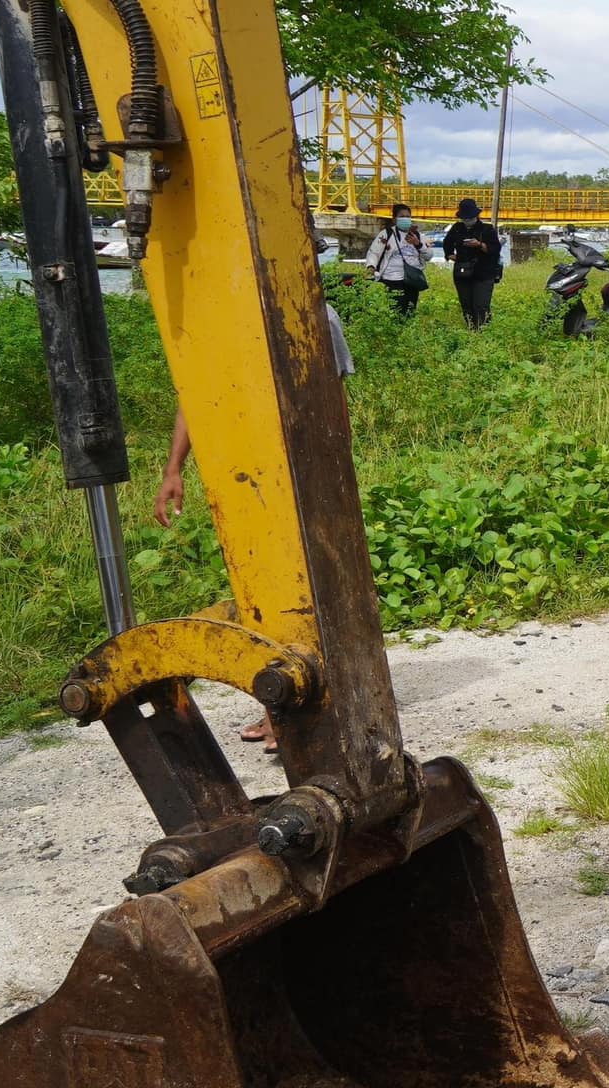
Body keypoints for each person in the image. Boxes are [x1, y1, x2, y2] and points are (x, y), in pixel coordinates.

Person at [154, 248, 354, 755]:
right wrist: (174, 469)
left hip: (296, 474)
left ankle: (294, 713)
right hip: (238, 477)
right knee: (256, 590)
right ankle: (279, 708)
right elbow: (194, 398)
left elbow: (331, 399)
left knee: (302, 587)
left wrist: (331, 476)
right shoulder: (216, 320)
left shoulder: (314, 316)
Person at [440, 198, 502, 330]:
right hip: (462, 272)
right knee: (466, 304)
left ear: (476, 215)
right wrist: (450, 255)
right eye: (465, 218)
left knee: (481, 305)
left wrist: (479, 244)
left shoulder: (487, 229)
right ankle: (471, 329)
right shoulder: (457, 228)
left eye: (470, 217)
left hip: (483, 273)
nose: (467, 220)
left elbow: (495, 249)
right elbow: (447, 243)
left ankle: (483, 330)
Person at [365, 203, 430, 314]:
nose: (405, 218)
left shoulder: (417, 235)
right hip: (392, 278)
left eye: (408, 216)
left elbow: (428, 256)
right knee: (395, 309)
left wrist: (418, 244)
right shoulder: (386, 234)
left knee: (410, 309)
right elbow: (374, 252)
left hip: (412, 279)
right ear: (394, 219)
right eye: (402, 216)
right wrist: (371, 266)